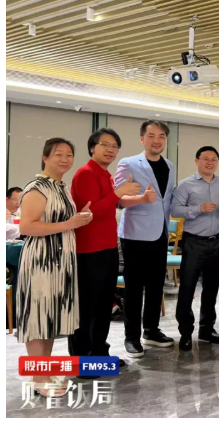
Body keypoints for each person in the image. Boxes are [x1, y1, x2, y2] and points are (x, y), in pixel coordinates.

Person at [17, 138, 93, 397]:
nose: (64, 159)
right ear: (45, 157)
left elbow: (60, 220)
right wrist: (70, 224)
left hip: (58, 261)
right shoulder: (38, 187)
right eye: (58, 154)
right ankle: (39, 379)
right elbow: (26, 226)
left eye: (69, 155)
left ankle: (44, 372)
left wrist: (79, 218)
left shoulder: (59, 186)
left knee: (48, 318)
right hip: (41, 260)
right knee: (37, 318)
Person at [69, 128, 139, 368]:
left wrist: (123, 195)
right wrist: (118, 193)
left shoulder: (106, 175)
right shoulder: (85, 174)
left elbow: (109, 206)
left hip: (108, 248)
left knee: (103, 306)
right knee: (87, 308)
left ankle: (99, 353)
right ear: (92, 147)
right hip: (88, 250)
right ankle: (82, 360)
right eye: (104, 144)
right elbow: (90, 212)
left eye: (114, 146)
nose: (110, 150)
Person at [114, 120, 176, 358]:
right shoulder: (128, 163)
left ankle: (151, 330)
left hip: (161, 234)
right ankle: (131, 337)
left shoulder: (169, 165)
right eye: (151, 136)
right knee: (133, 288)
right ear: (142, 139)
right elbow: (118, 199)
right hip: (135, 235)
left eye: (161, 136)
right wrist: (141, 198)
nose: (156, 140)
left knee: (156, 285)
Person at [171, 146, 219, 351]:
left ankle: (207, 329)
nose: (210, 162)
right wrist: (198, 209)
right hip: (193, 242)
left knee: (211, 288)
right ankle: (185, 332)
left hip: (216, 242)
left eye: (214, 159)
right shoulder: (186, 184)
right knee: (187, 288)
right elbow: (175, 210)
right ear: (197, 160)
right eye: (206, 159)